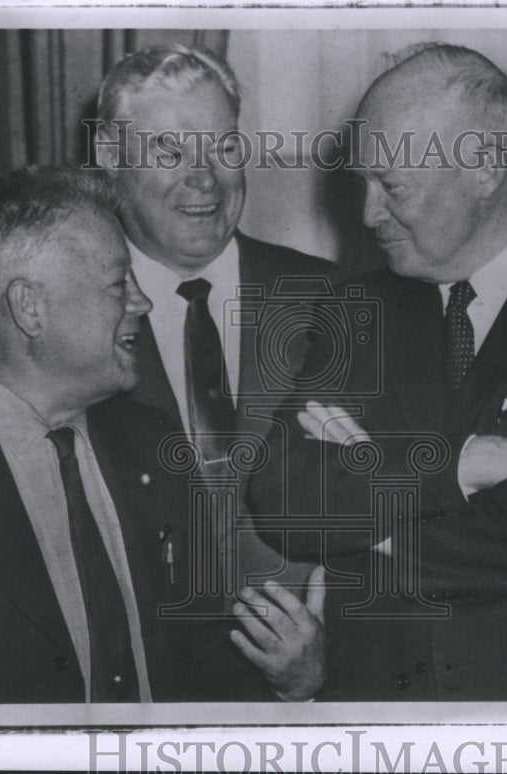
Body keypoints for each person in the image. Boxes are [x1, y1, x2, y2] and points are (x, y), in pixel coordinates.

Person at [248, 43, 507, 701]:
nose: (367, 215)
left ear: (487, 166)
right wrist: (464, 464)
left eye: (393, 187)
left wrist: (379, 541)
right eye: (362, 183)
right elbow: (285, 495)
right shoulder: (359, 311)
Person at [0, 166, 318, 704]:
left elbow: (206, 652)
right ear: (30, 307)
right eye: (119, 283)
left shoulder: (154, 444)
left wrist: (292, 685)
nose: (142, 303)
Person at [93, 45, 341, 674]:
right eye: (170, 153)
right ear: (108, 159)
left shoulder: (336, 302)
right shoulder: (74, 322)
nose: (204, 179)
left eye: (224, 149)